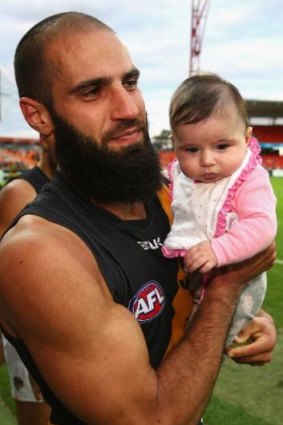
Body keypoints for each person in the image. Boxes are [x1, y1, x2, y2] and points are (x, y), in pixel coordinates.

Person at [0, 12, 276, 425]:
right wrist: (225, 291)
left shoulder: (169, 196)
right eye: (92, 91)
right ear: (38, 115)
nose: (129, 108)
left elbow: (183, 306)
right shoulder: (39, 254)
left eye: (130, 82)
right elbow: (151, 418)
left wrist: (245, 317)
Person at [162, 73, 277, 346]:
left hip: (238, 283)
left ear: (247, 138)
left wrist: (219, 249)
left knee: (206, 342)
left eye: (222, 146)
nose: (207, 160)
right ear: (175, 146)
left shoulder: (248, 178)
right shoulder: (179, 178)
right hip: (193, 280)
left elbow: (262, 224)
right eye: (191, 149)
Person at [0, 135, 56, 425]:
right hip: (31, 337)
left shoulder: (77, 191)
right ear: (44, 139)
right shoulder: (22, 192)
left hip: (68, 332)